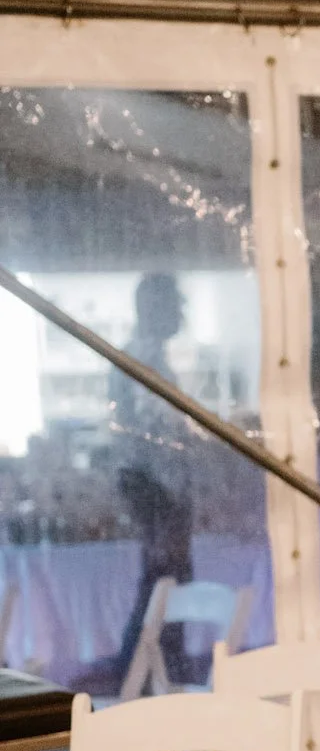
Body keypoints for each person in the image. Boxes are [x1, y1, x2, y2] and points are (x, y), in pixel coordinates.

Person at [111, 273, 194, 682]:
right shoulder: (142, 361)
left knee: (163, 588)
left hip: (156, 487)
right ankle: (144, 680)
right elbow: (151, 436)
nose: (182, 312)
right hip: (154, 487)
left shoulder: (148, 357)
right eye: (175, 303)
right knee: (164, 590)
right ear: (153, 307)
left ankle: (148, 678)